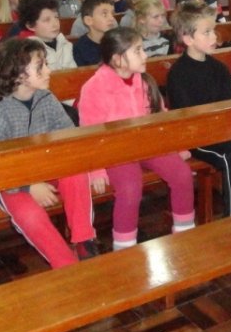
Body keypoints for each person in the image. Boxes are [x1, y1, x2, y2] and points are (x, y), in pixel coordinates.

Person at [0, 39, 101, 266]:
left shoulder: (45, 99)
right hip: (7, 182)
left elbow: (68, 136)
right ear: (18, 74)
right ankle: (65, 263)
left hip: (43, 168)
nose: (49, 71)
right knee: (30, 214)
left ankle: (84, 239)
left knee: (77, 174)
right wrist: (28, 187)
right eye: (41, 67)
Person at [78, 27, 195, 250]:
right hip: (115, 151)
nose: (145, 55)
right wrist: (95, 169)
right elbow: (89, 134)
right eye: (138, 50)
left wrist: (176, 147)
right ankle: (124, 247)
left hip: (148, 144)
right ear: (117, 59)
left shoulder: (143, 81)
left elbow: (160, 116)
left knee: (182, 174)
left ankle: (184, 234)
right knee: (131, 187)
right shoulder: (95, 87)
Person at [166, 1, 231, 215]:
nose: (214, 37)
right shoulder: (178, 74)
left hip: (221, 132)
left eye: (213, 30)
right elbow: (185, 118)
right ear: (188, 39)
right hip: (197, 138)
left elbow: (229, 105)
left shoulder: (219, 68)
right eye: (207, 32)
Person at [17, 0, 76, 71]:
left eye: (56, 17)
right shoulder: (28, 51)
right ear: (31, 26)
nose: (55, 23)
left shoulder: (65, 44)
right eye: (47, 20)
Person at [72, 0, 117, 67]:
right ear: (89, 20)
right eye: (104, 14)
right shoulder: (80, 48)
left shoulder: (117, 42)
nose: (111, 18)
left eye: (112, 14)